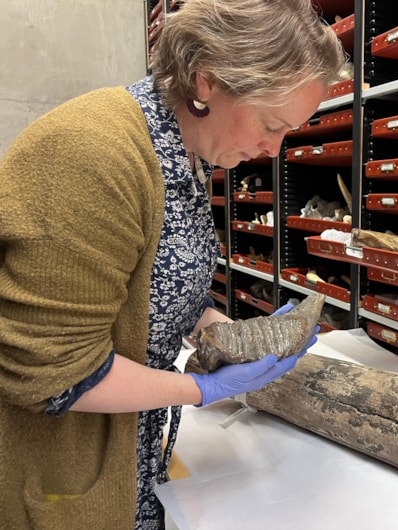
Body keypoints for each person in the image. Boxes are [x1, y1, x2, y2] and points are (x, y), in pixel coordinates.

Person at [0, 0, 347, 528]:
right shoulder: (96, 155)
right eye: (271, 124)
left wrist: (228, 334)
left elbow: (151, 284)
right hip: (59, 460)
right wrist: (201, 389)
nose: (274, 151)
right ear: (206, 82)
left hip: (131, 444)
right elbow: (49, 374)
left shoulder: (186, 152)